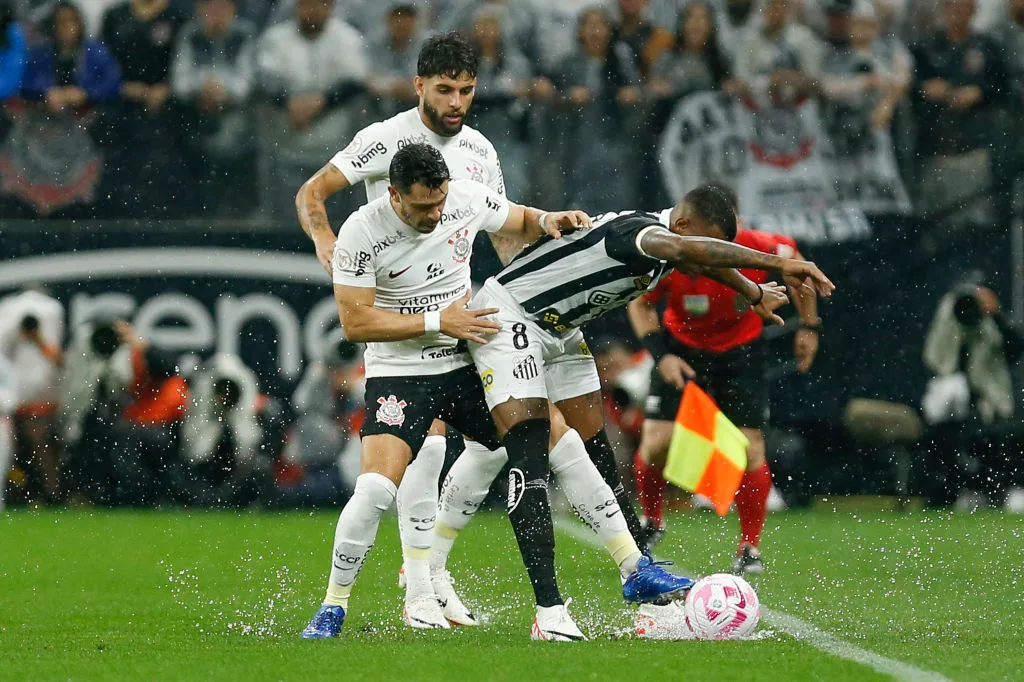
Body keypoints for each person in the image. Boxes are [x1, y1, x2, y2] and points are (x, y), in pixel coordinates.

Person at [300, 143, 694, 641]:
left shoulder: (463, 197)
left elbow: (518, 218)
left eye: (440, 202)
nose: (435, 214)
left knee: (560, 442)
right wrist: (439, 320)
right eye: (422, 207)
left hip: (465, 359)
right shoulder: (361, 231)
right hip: (400, 374)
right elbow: (356, 322)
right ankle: (334, 605)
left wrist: (548, 219)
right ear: (394, 195)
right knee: (377, 489)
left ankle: (633, 566)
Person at [459, 184, 832, 636]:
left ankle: (639, 570)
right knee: (529, 454)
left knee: (594, 450)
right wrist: (777, 265)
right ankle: (548, 612)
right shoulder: (642, 234)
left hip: (559, 329)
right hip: (510, 316)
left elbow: (699, 258)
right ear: (683, 225)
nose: (704, 256)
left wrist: (752, 291)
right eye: (702, 242)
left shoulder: (675, 244)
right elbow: (688, 251)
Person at [627, 187, 821, 574]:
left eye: (726, 236)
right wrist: (661, 355)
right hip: (681, 350)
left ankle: (749, 547)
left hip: (740, 353)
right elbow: (639, 301)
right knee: (657, 442)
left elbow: (798, 265)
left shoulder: (756, 245)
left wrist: (809, 326)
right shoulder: (670, 250)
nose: (716, 248)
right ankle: (651, 521)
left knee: (749, 449)